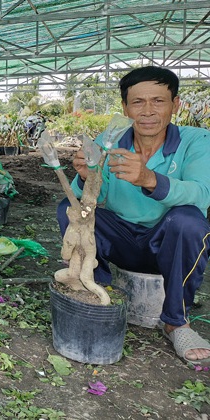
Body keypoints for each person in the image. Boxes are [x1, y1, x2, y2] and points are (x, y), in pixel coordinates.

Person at [57, 66, 210, 364]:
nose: (148, 111)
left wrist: (150, 179)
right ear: (125, 108)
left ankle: (176, 321)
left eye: (158, 101)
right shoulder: (110, 140)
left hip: (167, 241)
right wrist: (85, 176)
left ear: (175, 105)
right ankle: (96, 288)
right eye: (138, 102)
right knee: (72, 210)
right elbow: (94, 198)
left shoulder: (197, 141)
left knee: (188, 221)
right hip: (123, 240)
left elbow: (203, 194)